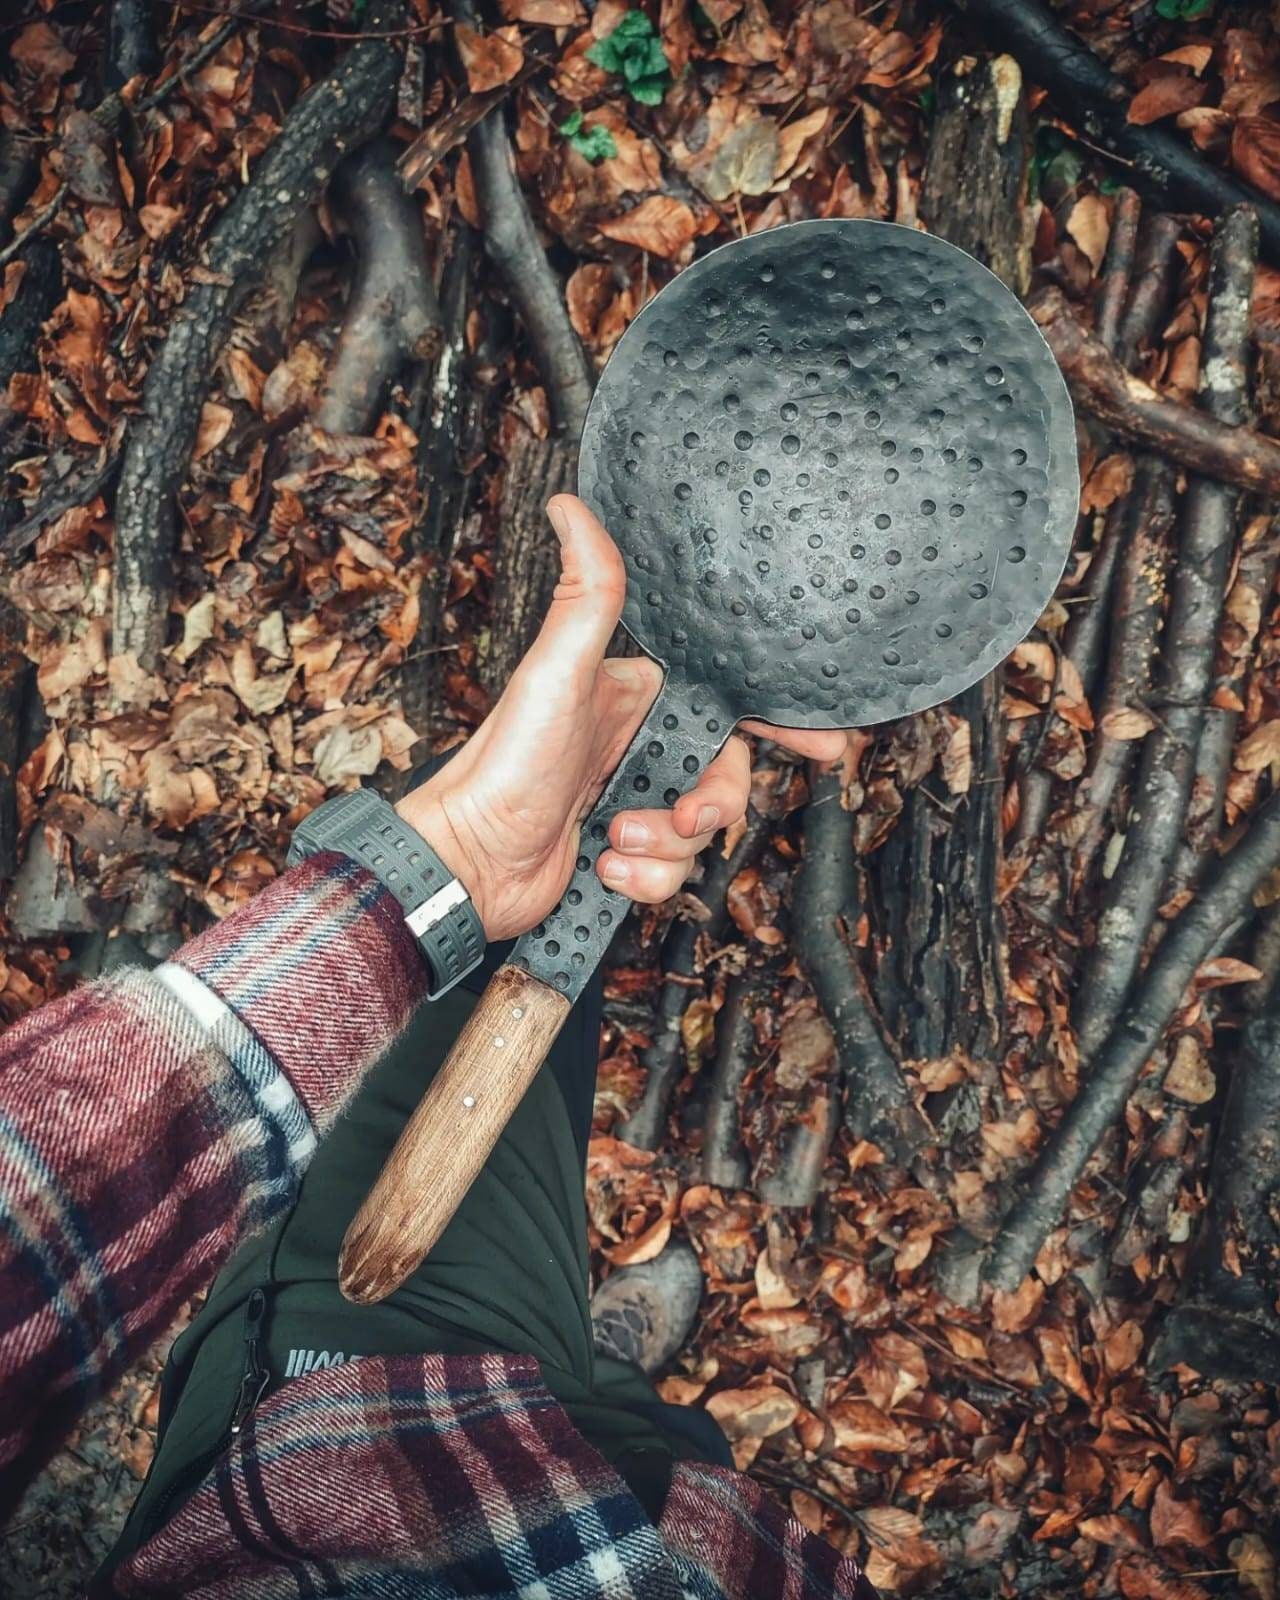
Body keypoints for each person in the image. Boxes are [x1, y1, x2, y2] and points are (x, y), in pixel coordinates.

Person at [0, 495, 874, 1597]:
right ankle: (602, 1370)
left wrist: (443, 859)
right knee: (662, 1432)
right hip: (648, 1517)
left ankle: (590, 1371)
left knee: (433, 1076)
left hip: (313, 1411)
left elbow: (19, 1245)